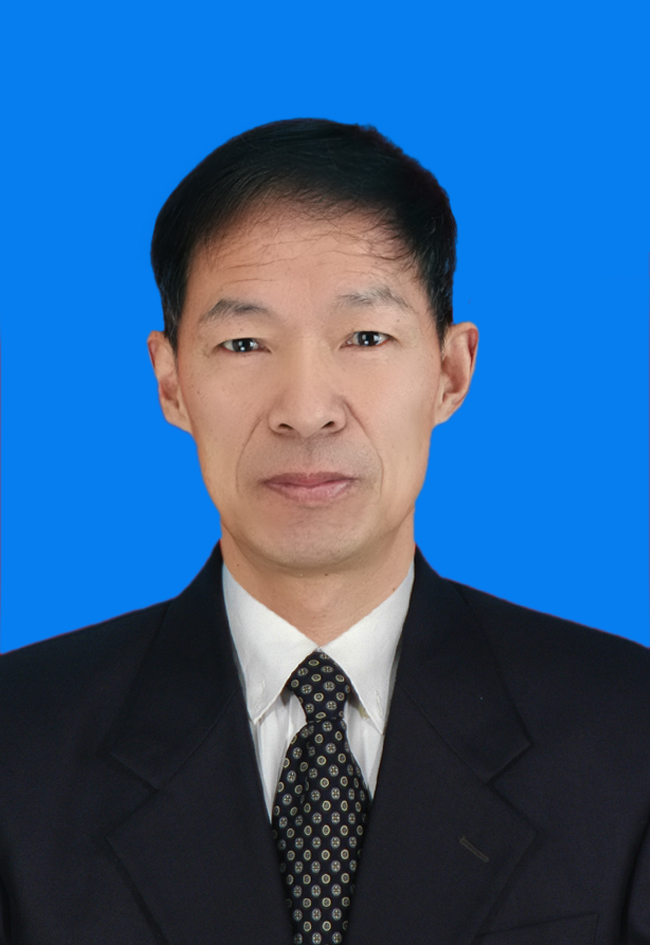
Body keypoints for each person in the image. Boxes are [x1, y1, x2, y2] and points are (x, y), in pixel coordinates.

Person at [0, 119, 648, 945]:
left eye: (366, 337)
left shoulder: (627, 732)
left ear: (450, 372)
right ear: (171, 382)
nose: (306, 410)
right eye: (244, 343)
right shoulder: (19, 744)